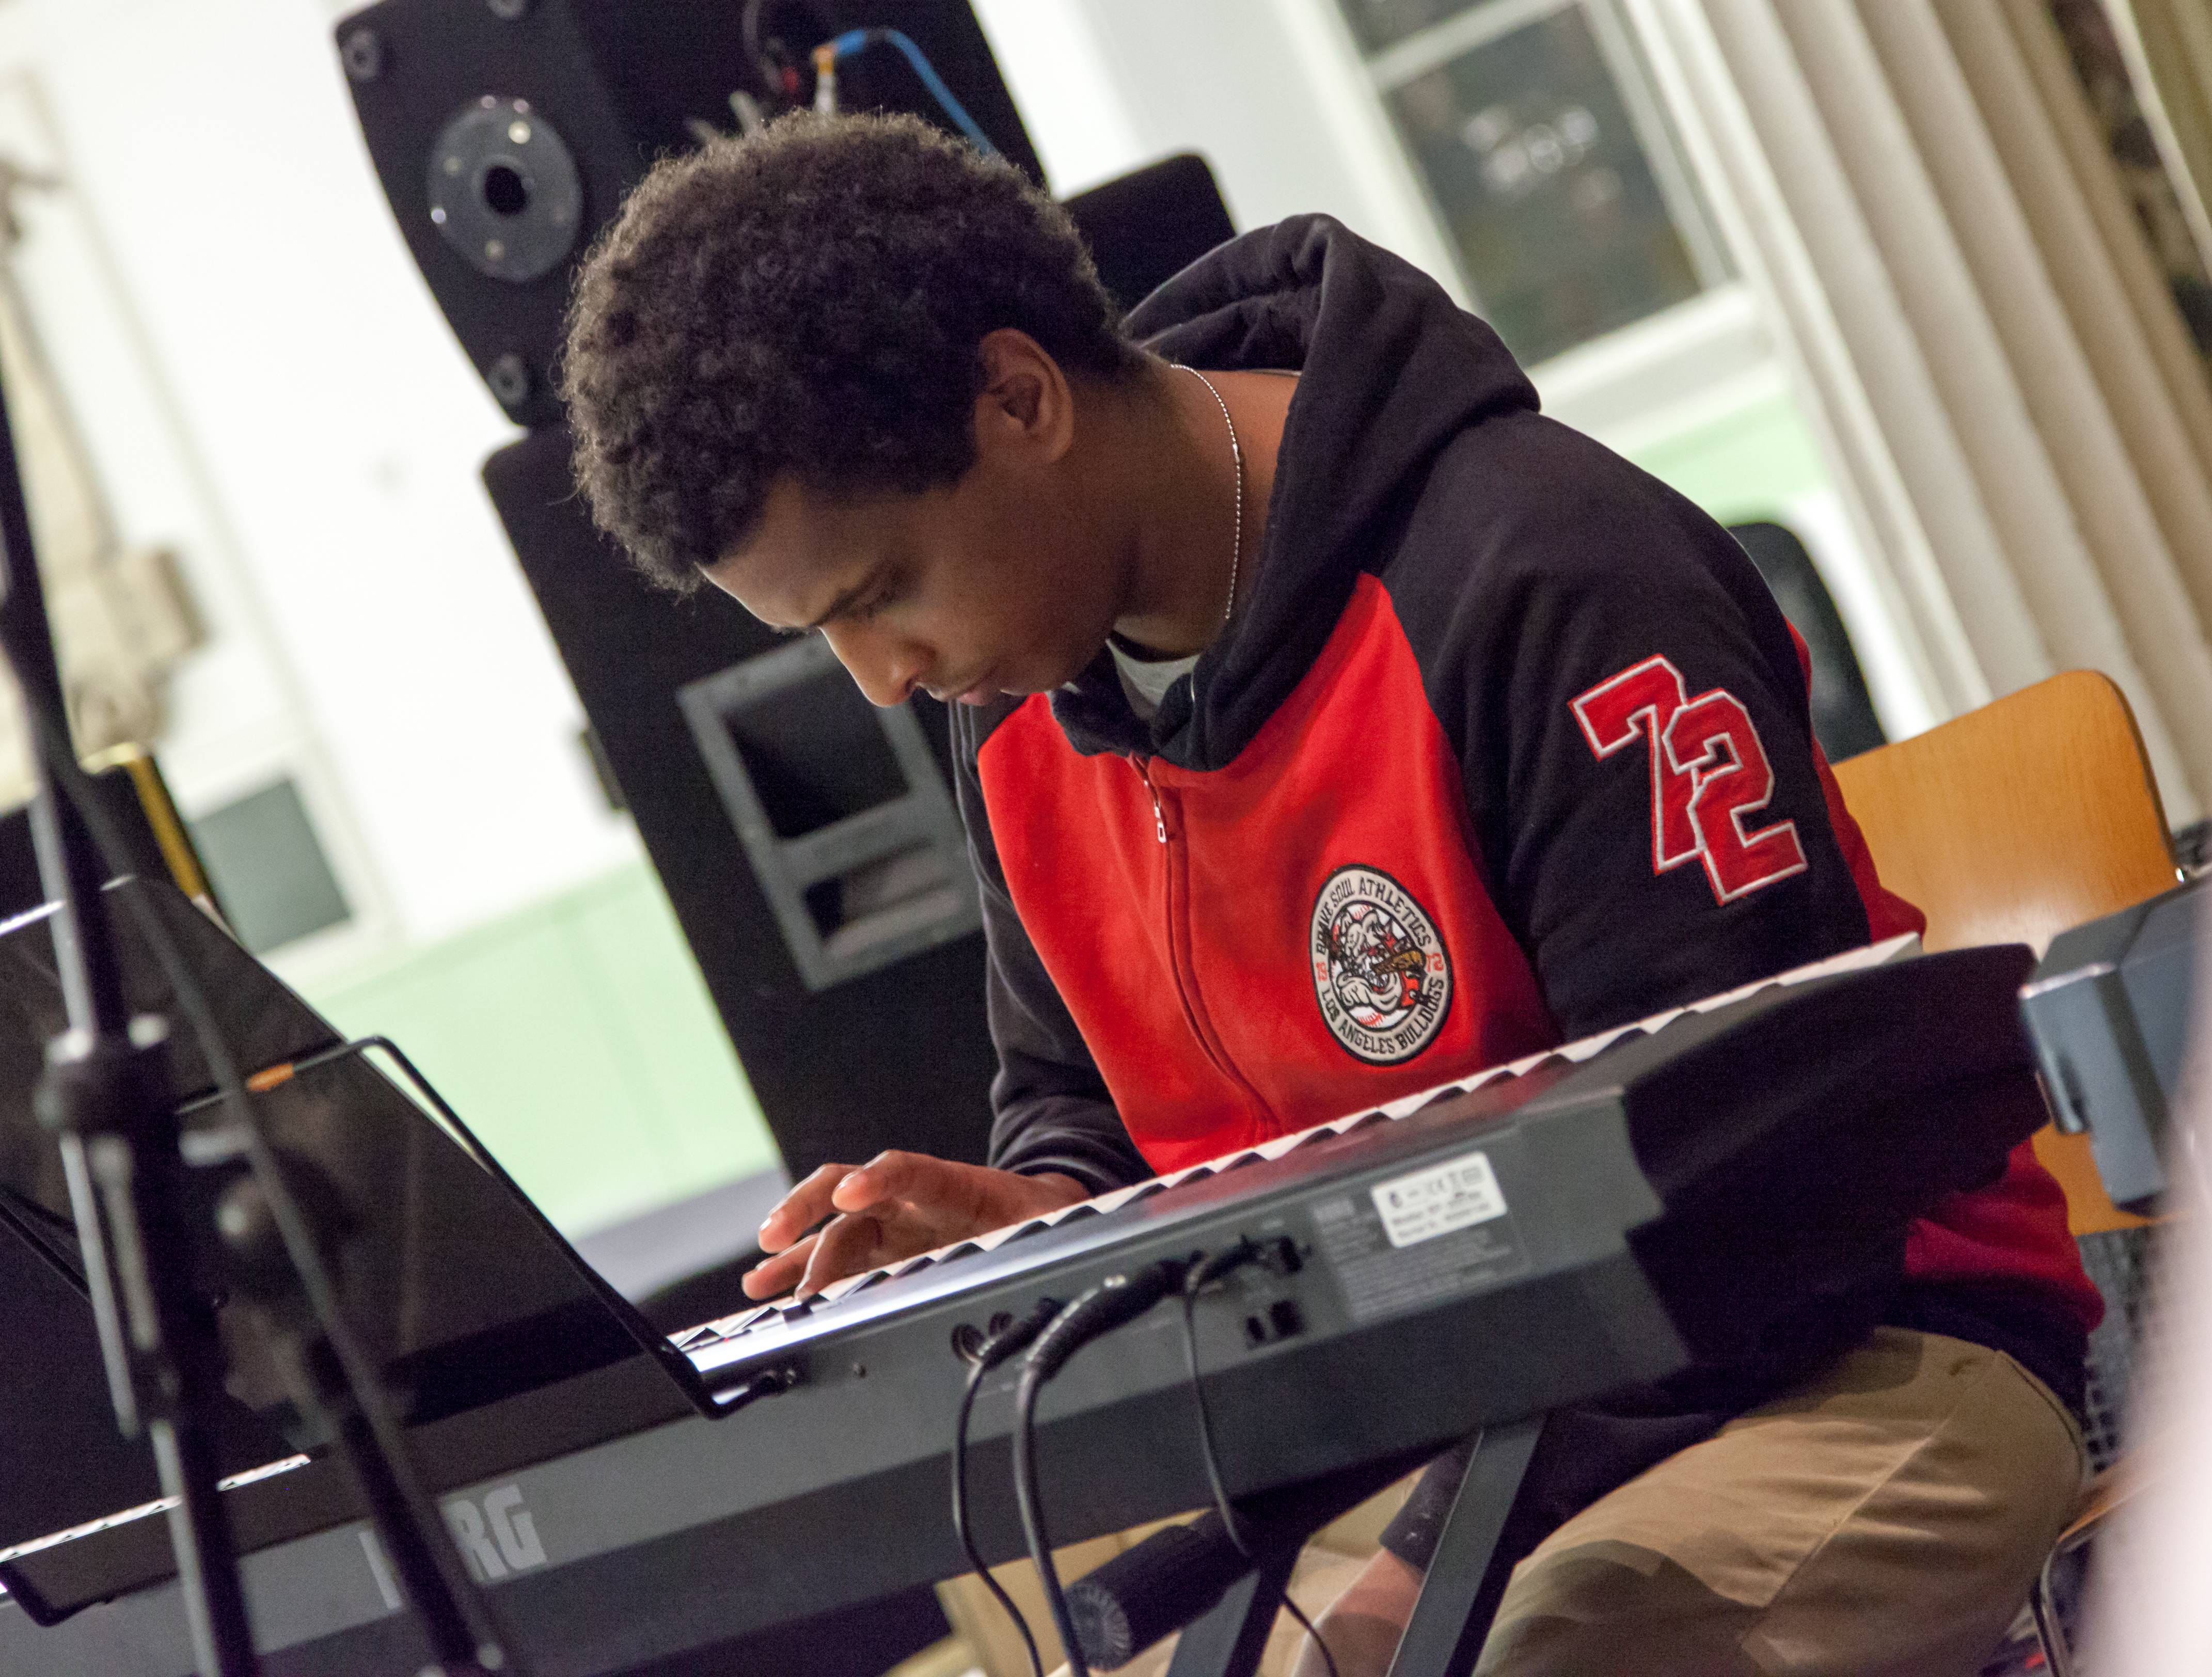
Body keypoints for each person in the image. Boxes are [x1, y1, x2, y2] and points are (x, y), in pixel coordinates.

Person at [562, 110, 2099, 1677]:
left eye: (883, 592)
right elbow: (1074, 1101)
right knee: (994, 1609)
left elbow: (1760, 1206)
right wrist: (1054, 1227)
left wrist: (1421, 1570)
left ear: (1021, 399)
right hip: (1397, 1419)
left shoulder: (1545, 577)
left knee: (1530, 1653)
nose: (881, 680)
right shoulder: (1018, 703)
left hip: (1843, 1361)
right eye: (821, 634)